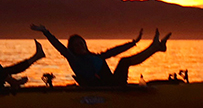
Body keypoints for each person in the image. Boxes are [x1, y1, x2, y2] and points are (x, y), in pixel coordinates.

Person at [30, 25, 170, 87]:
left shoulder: (94, 56)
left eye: (81, 43)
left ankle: (156, 47)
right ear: (72, 49)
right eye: (76, 45)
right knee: (124, 62)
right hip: (107, 87)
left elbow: (113, 51)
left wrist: (134, 42)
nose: (80, 46)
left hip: (113, 83)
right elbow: (59, 47)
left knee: (122, 60)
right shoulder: (75, 59)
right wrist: (45, 32)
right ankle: (155, 47)